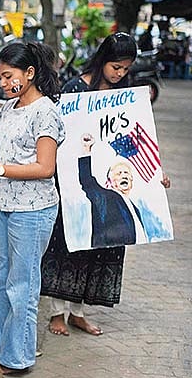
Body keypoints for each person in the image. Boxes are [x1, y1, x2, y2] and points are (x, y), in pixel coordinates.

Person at [41, 32, 171, 337]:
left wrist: (154, 174)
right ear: (102, 60)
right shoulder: (75, 89)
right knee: (68, 245)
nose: (120, 73)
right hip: (75, 181)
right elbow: (59, 135)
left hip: (110, 181)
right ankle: (57, 313)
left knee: (101, 247)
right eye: (116, 66)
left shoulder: (124, 93)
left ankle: (79, 311)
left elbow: (137, 140)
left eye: (125, 69)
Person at [0, 41, 64, 375]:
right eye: (0, 78)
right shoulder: (10, 108)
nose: (4, 84)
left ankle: (17, 357)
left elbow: (45, 167)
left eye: (9, 77)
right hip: (6, 206)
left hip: (34, 211)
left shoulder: (46, 112)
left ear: (30, 73)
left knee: (21, 285)